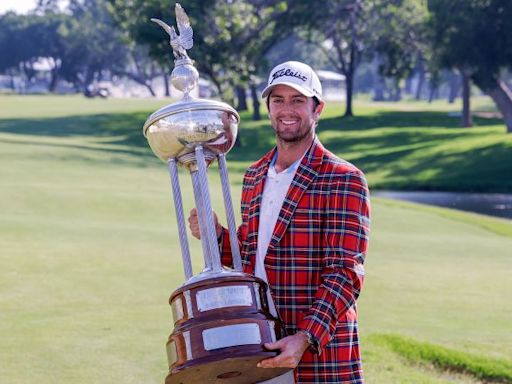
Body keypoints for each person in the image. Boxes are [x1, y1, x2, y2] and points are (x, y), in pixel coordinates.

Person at [189, 61, 371, 383]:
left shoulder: (343, 179)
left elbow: (345, 275)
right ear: (269, 108)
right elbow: (251, 256)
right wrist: (216, 236)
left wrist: (305, 337)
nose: (287, 109)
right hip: (259, 348)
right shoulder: (255, 175)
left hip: (319, 356)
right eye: (278, 100)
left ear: (318, 109)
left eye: (298, 100)